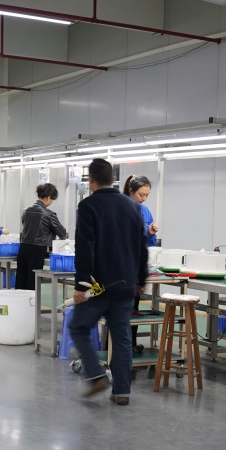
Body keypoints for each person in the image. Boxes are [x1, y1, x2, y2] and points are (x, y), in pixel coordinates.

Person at [69, 158, 148, 406]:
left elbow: (85, 248)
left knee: (78, 327)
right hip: (126, 284)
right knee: (122, 337)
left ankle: (96, 376)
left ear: (91, 179)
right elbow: (142, 247)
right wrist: (141, 279)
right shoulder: (132, 206)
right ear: (113, 179)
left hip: (98, 286)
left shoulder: (88, 206)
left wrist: (81, 285)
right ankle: (122, 392)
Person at [123, 174, 158, 352]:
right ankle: (115, 347)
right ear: (131, 191)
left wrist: (151, 232)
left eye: (147, 195)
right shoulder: (120, 208)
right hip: (121, 267)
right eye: (141, 194)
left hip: (136, 267)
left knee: (134, 309)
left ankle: (131, 344)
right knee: (121, 310)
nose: (143, 198)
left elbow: (149, 243)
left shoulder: (145, 211)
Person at [16, 183, 67, 292]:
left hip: (23, 247)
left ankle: (19, 302)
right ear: (48, 198)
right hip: (37, 250)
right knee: (32, 282)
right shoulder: (49, 214)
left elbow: (26, 226)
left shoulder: (26, 211)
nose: (51, 202)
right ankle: (31, 303)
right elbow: (62, 233)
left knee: (21, 280)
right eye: (52, 199)